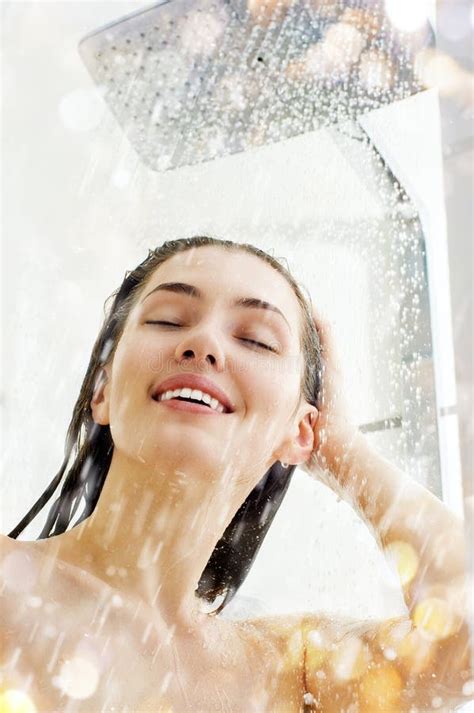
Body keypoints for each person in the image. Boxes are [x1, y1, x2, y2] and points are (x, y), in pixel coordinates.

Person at [1, 236, 472, 712]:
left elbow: (464, 646)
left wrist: (345, 451)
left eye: (256, 339)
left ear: (302, 431)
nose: (203, 343)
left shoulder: (291, 668)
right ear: (101, 390)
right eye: (167, 319)